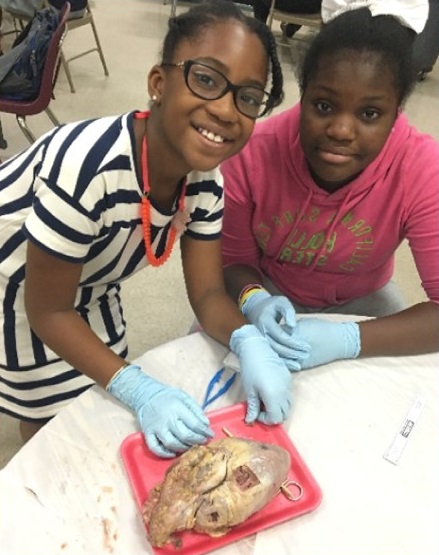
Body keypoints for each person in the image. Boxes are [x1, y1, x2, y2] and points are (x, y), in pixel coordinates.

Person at [0, 0, 306, 458]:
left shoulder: (205, 184)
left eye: (247, 96)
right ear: (158, 84)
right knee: (52, 423)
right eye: (206, 79)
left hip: (91, 282)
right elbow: (47, 311)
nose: (226, 110)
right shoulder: (88, 167)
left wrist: (247, 339)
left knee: (100, 397)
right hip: (18, 289)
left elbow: (207, 295)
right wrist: (140, 389)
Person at [221, 6, 439, 371]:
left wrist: (349, 339)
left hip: (364, 298)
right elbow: (233, 263)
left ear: (396, 111)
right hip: (267, 287)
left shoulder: (421, 168)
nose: (340, 130)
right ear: (302, 95)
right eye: (323, 105)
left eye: (369, 114)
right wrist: (253, 298)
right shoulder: (252, 153)